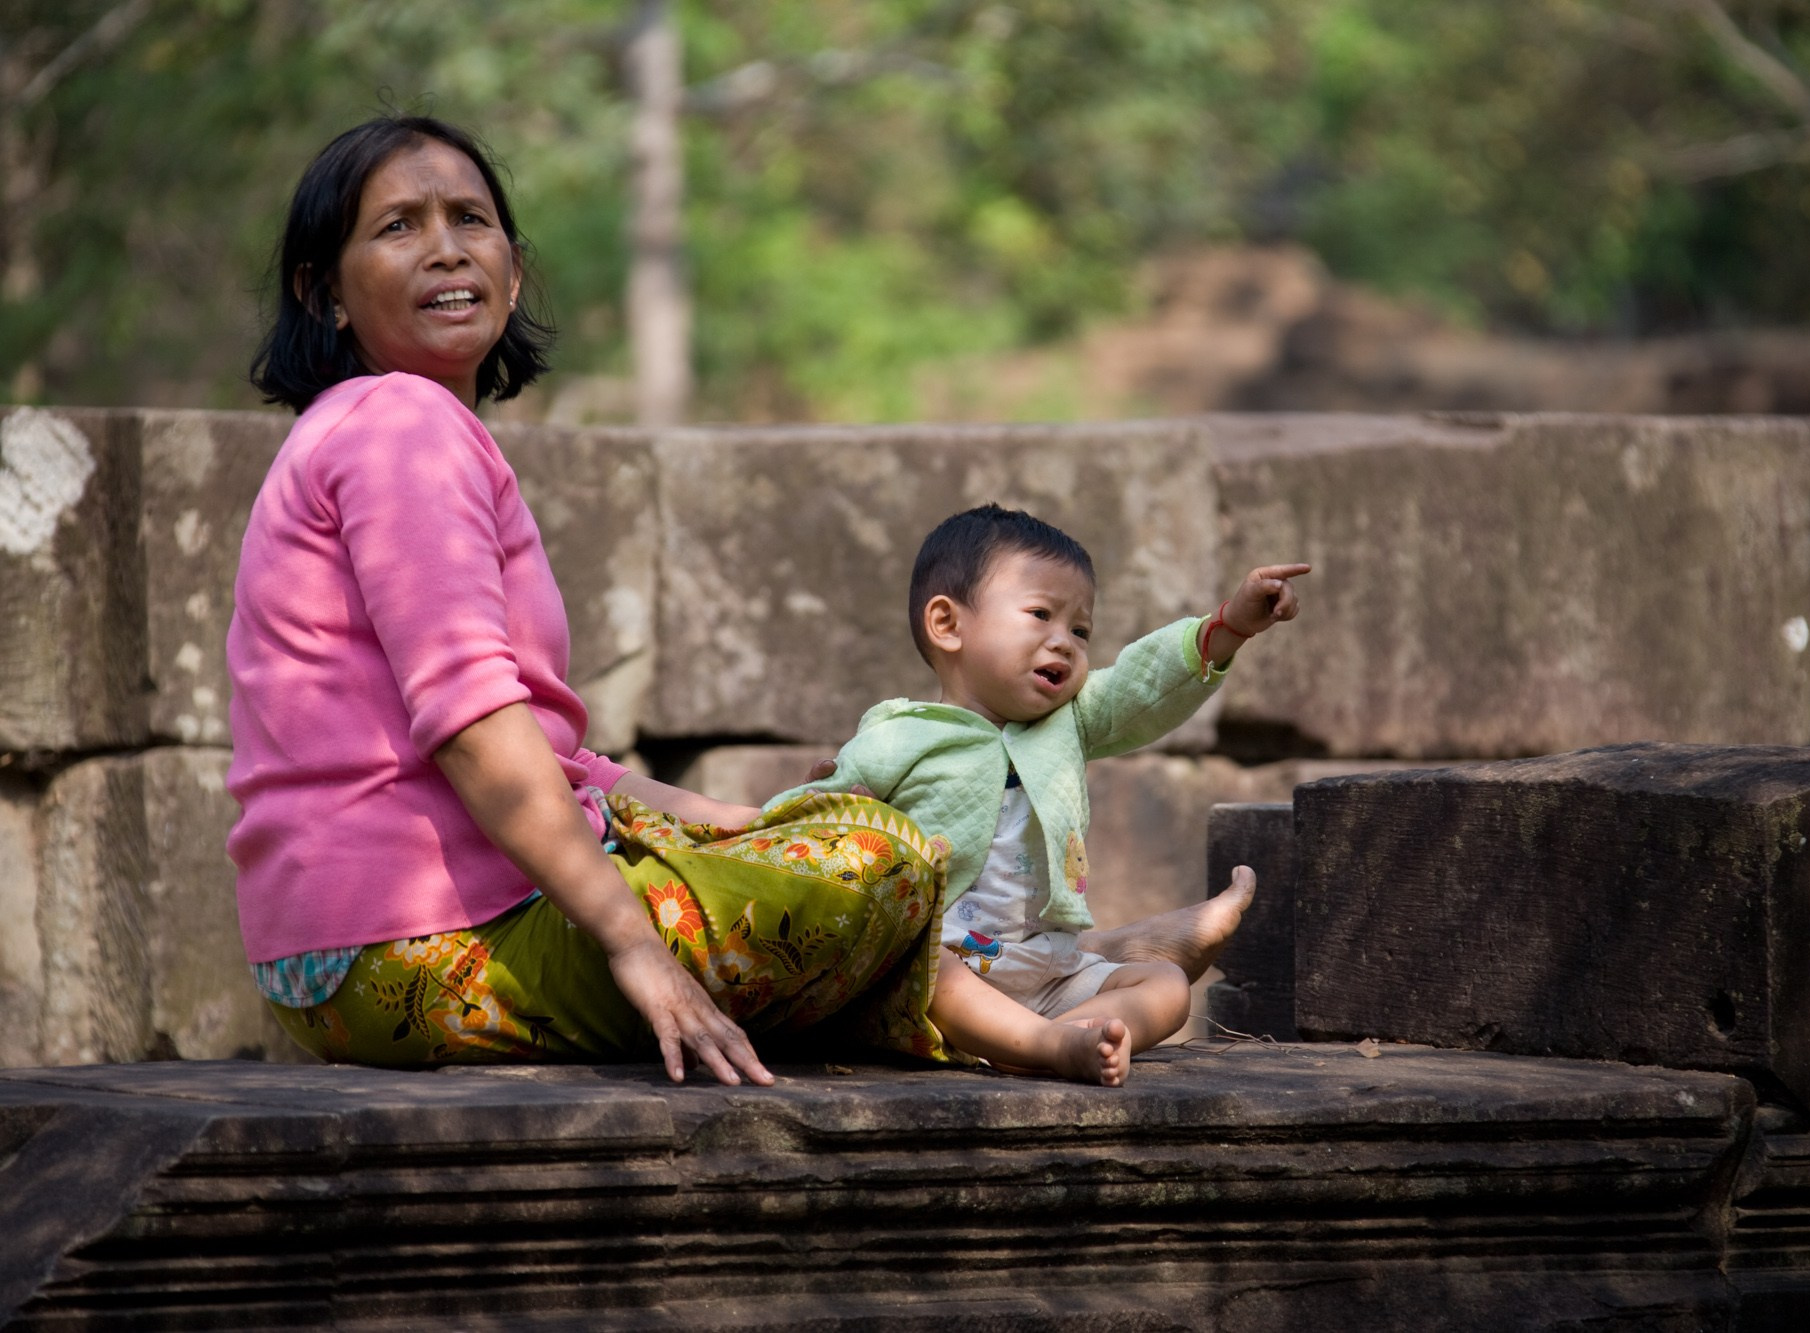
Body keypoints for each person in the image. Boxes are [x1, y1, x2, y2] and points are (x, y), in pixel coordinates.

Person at [229, 115, 954, 1085]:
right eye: (398, 226)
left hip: (354, 954)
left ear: (513, 271)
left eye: (470, 219)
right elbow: (475, 726)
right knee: (881, 856)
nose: (445, 246)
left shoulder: (384, 427)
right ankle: (1042, 994)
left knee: (807, 835)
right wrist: (629, 943)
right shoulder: (398, 427)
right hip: (403, 949)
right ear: (323, 292)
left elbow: (543, 750)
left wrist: (712, 816)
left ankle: (1044, 999)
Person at [767, 505, 1308, 1084]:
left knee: (1167, 988)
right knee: (932, 972)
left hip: (1046, 967)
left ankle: (1067, 1035)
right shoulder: (900, 734)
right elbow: (809, 821)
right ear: (948, 625)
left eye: (1080, 630)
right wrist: (817, 808)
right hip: (941, 968)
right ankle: (1045, 1046)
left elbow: (1140, 683)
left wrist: (1230, 626)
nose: (1065, 643)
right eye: (1040, 615)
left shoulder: (1068, 722)